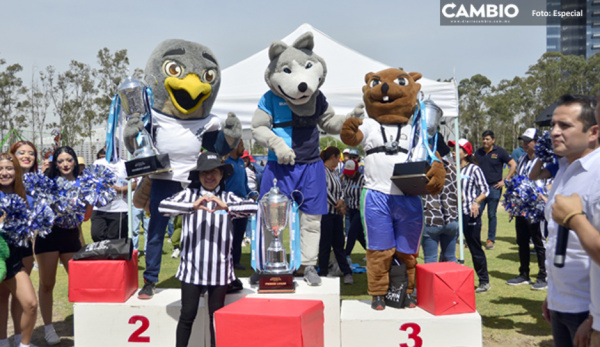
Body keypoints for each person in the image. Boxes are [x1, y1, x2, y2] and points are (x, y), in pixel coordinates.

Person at [158, 152, 257, 347]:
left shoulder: (228, 197)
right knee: (187, 315)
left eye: (213, 172)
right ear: (198, 176)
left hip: (219, 270)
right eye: (204, 173)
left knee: (216, 316)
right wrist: (191, 207)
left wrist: (227, 207)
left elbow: (253, 208)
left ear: (221, 174)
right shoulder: (189, 194)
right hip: (192, 268)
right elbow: (163, 207)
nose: (209, 177)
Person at [541, 94, 598, 347]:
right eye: (553, 125)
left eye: (564, 126)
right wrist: (553, 295)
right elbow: (558, 241)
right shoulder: (564, 169)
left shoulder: (596, 175)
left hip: (587, 312)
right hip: (560, 304)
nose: (554, 132)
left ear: (593, 132)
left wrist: (594, 316)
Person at [36, 146, 90, 345]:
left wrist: (89, 198)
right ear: (55, 164)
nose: (65, 164)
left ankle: (86, 322)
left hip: (71, 238)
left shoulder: (83, 182)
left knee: (80, 283)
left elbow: (86, 217)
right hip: (49, 236)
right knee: (47, 284)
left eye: (69, 160)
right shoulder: (47, 182)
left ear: (75, 161)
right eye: (60, 161)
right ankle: (49, 329)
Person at [0, 141, 39, 347]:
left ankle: (23, 344)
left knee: (30, 304)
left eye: (9, 168)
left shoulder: (24, 197)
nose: (5, 173)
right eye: (0, 169)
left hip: (14, 257)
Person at [505, 128, 548, 290]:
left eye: (527, 141)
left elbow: (550, 181)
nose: (524, 144)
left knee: (539, 242)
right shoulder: (522, 159)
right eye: (522, 140)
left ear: (536, 143)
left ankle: (543, 276)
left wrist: (543, 195)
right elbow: (518, 180)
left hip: (537, 207)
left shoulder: (544, 160)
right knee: (522, 241)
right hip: (521, 206)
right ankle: (524, 274)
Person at [451, 139, 491, 293]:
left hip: (470, 214)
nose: (453, 152)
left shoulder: (474, 169)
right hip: (453, 214)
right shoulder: (452, 169)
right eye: (452, 150)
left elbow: (485, 190)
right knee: (448, 248)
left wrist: (476, 202)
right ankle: (449, 281)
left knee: (474, 248)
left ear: (466, 152)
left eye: (456, 149)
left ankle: (484, 281)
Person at [474, 130, 517, 250]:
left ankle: (490, 240)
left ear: (493, 140)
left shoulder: (500, 152)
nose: (484, 141)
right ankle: (474, 238)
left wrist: (505, 180)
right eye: (483, 139)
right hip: (480, 189)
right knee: (476, 213)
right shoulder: (478, 152)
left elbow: (513, 164)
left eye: (487, 139)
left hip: (494, 188)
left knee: (492, 215)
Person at [318, 147, 353, 284]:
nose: (339, 160)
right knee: (325, 245)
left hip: (337, 214)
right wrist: (337, 204)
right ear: (332, 156)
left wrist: (342, 202)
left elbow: (341, 189)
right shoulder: (321, 171)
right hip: (326, 213)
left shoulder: (334, 172)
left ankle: (346, 272)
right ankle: (323, 272)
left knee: (339, 245)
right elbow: (324, 190)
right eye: (338, 157)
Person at [422, 140, 459, 264]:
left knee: (431, 261)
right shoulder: (453, 169)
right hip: (451, 219)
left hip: (431, 219)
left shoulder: (425, 170)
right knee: (451, 258)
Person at [224, 140, 254, 271]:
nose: (244, 148)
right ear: (234, 146)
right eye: (241, 145)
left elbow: (245, 184)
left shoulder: (242, 163)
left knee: (239, 235)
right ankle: (226, 262)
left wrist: (251, 194)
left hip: (243, 203)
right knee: (228, 235)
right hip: (229, 205)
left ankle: (236, 262)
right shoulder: (226, 164)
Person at [90, 153, 131, 242]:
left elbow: (134, 184)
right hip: (99, 208)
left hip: (118, 209)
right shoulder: (97, 162)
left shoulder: (124, 163)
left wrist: (119, 189)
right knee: (96, 235)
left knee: (115, 239)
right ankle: (103, 254)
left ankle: (110, 255)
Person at [341, 159, 366, 259]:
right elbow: (344, 191)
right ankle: (371, 252)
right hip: (350, 209)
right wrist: (344, 202)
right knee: (358, 234)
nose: (349, 175)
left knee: (351, 232)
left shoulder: (363, 179)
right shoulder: (346, 179)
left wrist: (362, 204)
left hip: (360, 210)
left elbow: (366, 193)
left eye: (351, 173)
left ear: (356, 170)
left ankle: (346, 254)